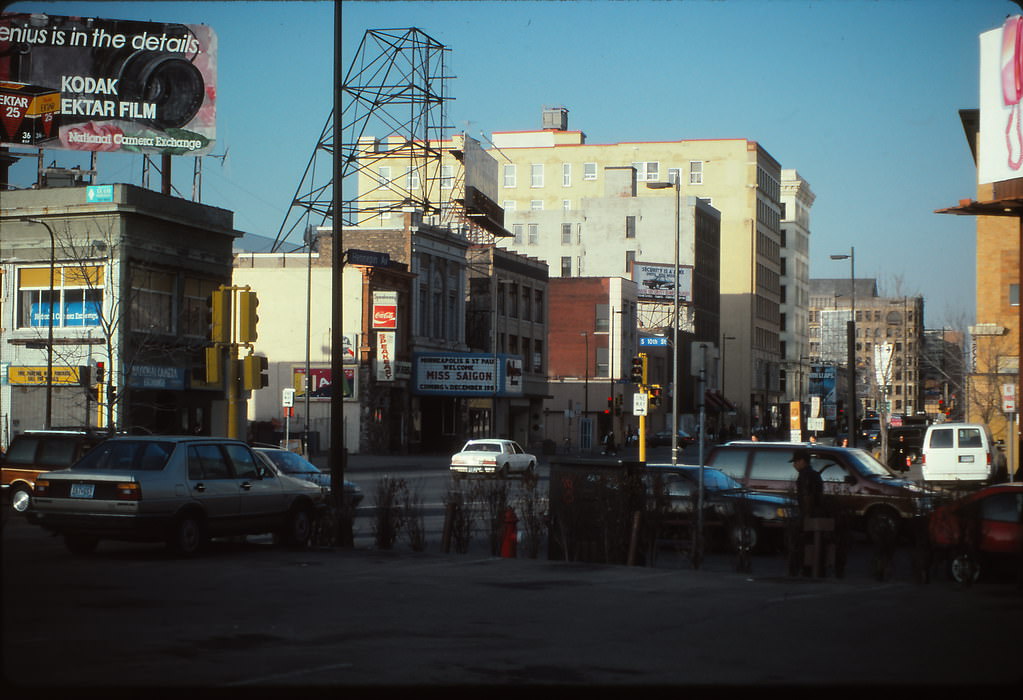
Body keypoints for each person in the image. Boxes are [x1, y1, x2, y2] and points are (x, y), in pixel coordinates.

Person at [791, 448, 824, 518]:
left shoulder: (805, 476)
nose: (793, 465)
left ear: (802, 461)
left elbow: (807, 496)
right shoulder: (814, 474)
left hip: (809, 514)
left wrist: (806, 515)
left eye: (795, 462)